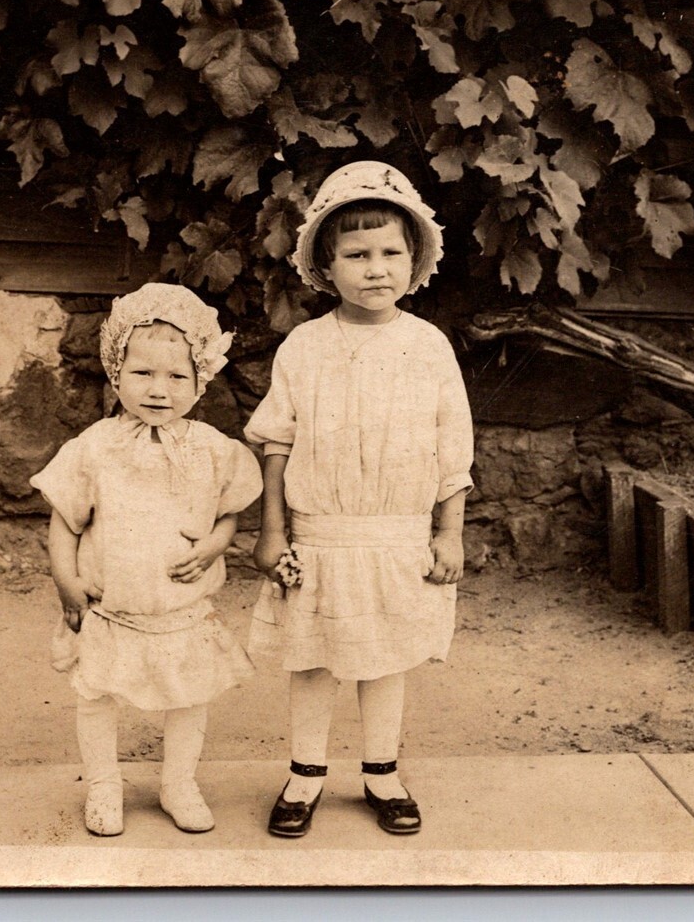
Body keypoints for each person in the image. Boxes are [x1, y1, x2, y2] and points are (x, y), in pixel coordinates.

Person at [246, 160, 474, 837]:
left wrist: (449, 532)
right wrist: (272, 533)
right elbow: (278, 444)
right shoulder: (305, 347)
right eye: (357, 254)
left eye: (391, 253)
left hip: (398, 534)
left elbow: (451, 449)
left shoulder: (428, 346)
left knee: (386, 656)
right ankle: (304, 773)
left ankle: (382, 772)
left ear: (414, 260)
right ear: (326, 263)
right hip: (320, 534)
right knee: (315, 655)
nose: (377, 269)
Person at [32, 283, 262, 837]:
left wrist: (215, 543)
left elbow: (229, 513)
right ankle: (104, 784)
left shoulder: (212, 449)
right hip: (113, 605)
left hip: (180, 607)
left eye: (177, 376)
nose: (159, 390)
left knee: (188, 697)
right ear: (116, 371)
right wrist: (67, 580)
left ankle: (178, 782)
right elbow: (65, 519)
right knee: (98, 694)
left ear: (199, 380)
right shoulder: (96, 446)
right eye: (143, 374)